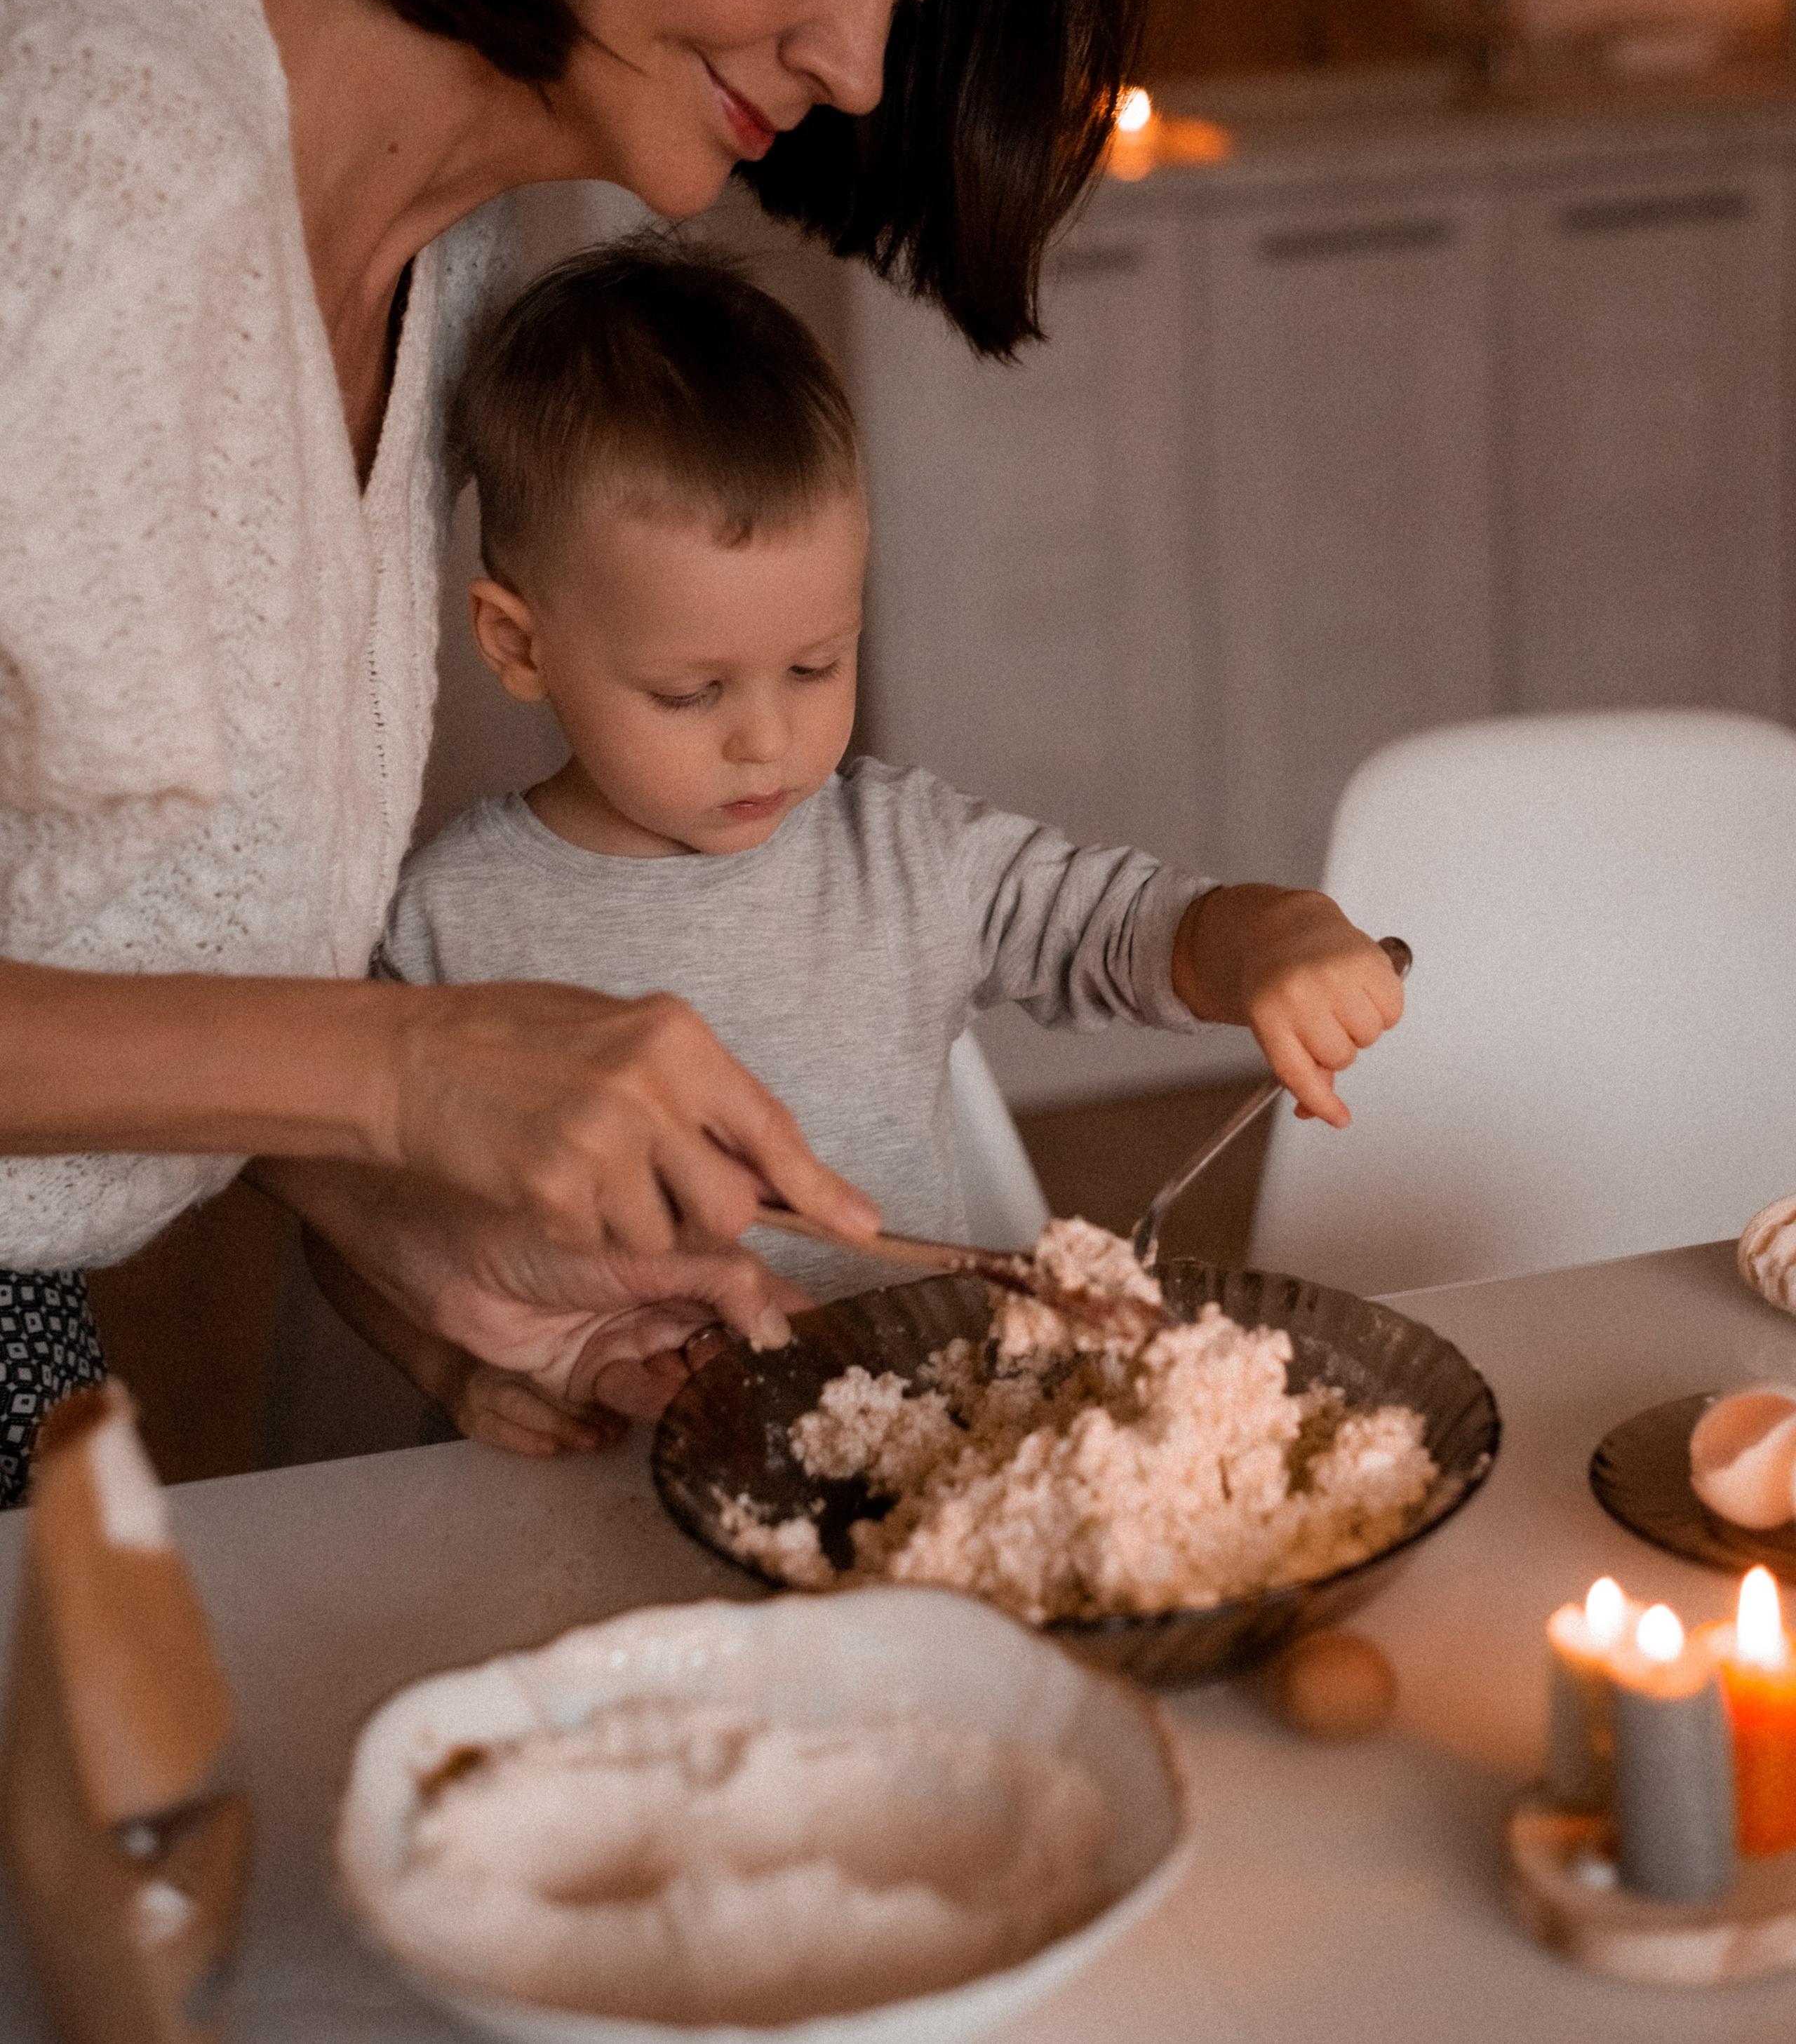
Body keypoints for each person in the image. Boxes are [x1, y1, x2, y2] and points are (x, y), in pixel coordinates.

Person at [0, 0, 1160, 1498]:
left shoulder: (431, 256)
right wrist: (410, 1066)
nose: (859, 58)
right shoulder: (68, 168)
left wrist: (423, 1244)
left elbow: (98, 903)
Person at [316, 246, 1405, 1455]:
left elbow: (1135, 928)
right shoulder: (442, 922)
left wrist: (1270, 936)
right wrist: (457, 1375)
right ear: (520, 646)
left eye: (816, 664)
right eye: (691, 691)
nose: (770, 739)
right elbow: (354, 1219)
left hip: (905, 1455)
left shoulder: (904, 853)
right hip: (598, 1465)